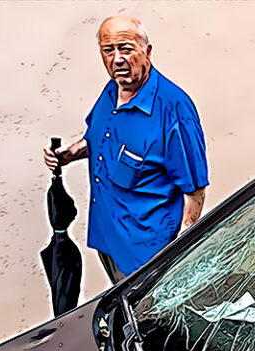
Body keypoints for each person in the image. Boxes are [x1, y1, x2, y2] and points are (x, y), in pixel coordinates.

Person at [43, 14, 209, 283]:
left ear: (147, 51)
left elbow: (195, 190)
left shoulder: (174, 108)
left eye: (126, 48)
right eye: (108, 50)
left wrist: (179, 261)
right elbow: (100, 139)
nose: (117, 58)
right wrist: (72, 153)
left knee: (147, 323)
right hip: (108, 240)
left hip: (148, 259)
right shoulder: (111, 91)